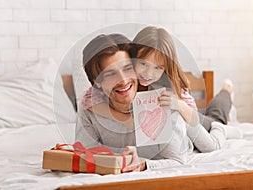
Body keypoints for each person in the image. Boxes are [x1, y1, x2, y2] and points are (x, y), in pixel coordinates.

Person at [81, 26, 242, 153]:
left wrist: (179, 106)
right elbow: (89, 100)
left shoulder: (166, 86)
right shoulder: (123, 82)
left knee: (215, 118)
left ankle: (227, 90)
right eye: (143, 64)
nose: (148, 74)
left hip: (190, 114)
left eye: (158, 68)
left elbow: (190, 122)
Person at [75, 33, 194, 172]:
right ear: (97, 81)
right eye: (110, 73)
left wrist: (144, 164)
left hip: (190, 126)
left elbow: (178, 161)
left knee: (212, 130)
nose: (123, 80)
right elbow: (85, 155)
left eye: (127, 68)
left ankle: (224, 104)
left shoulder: (162, 99)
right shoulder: (89, 106)